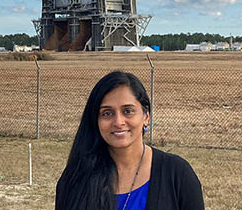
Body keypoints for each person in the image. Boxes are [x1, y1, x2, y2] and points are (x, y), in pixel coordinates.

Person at [55, 71, 204, 210]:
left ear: (146, 115)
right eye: (107, 113)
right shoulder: (75, 178)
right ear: (96, 120)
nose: (118, 122)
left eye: (128, 111)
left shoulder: (177, 174)